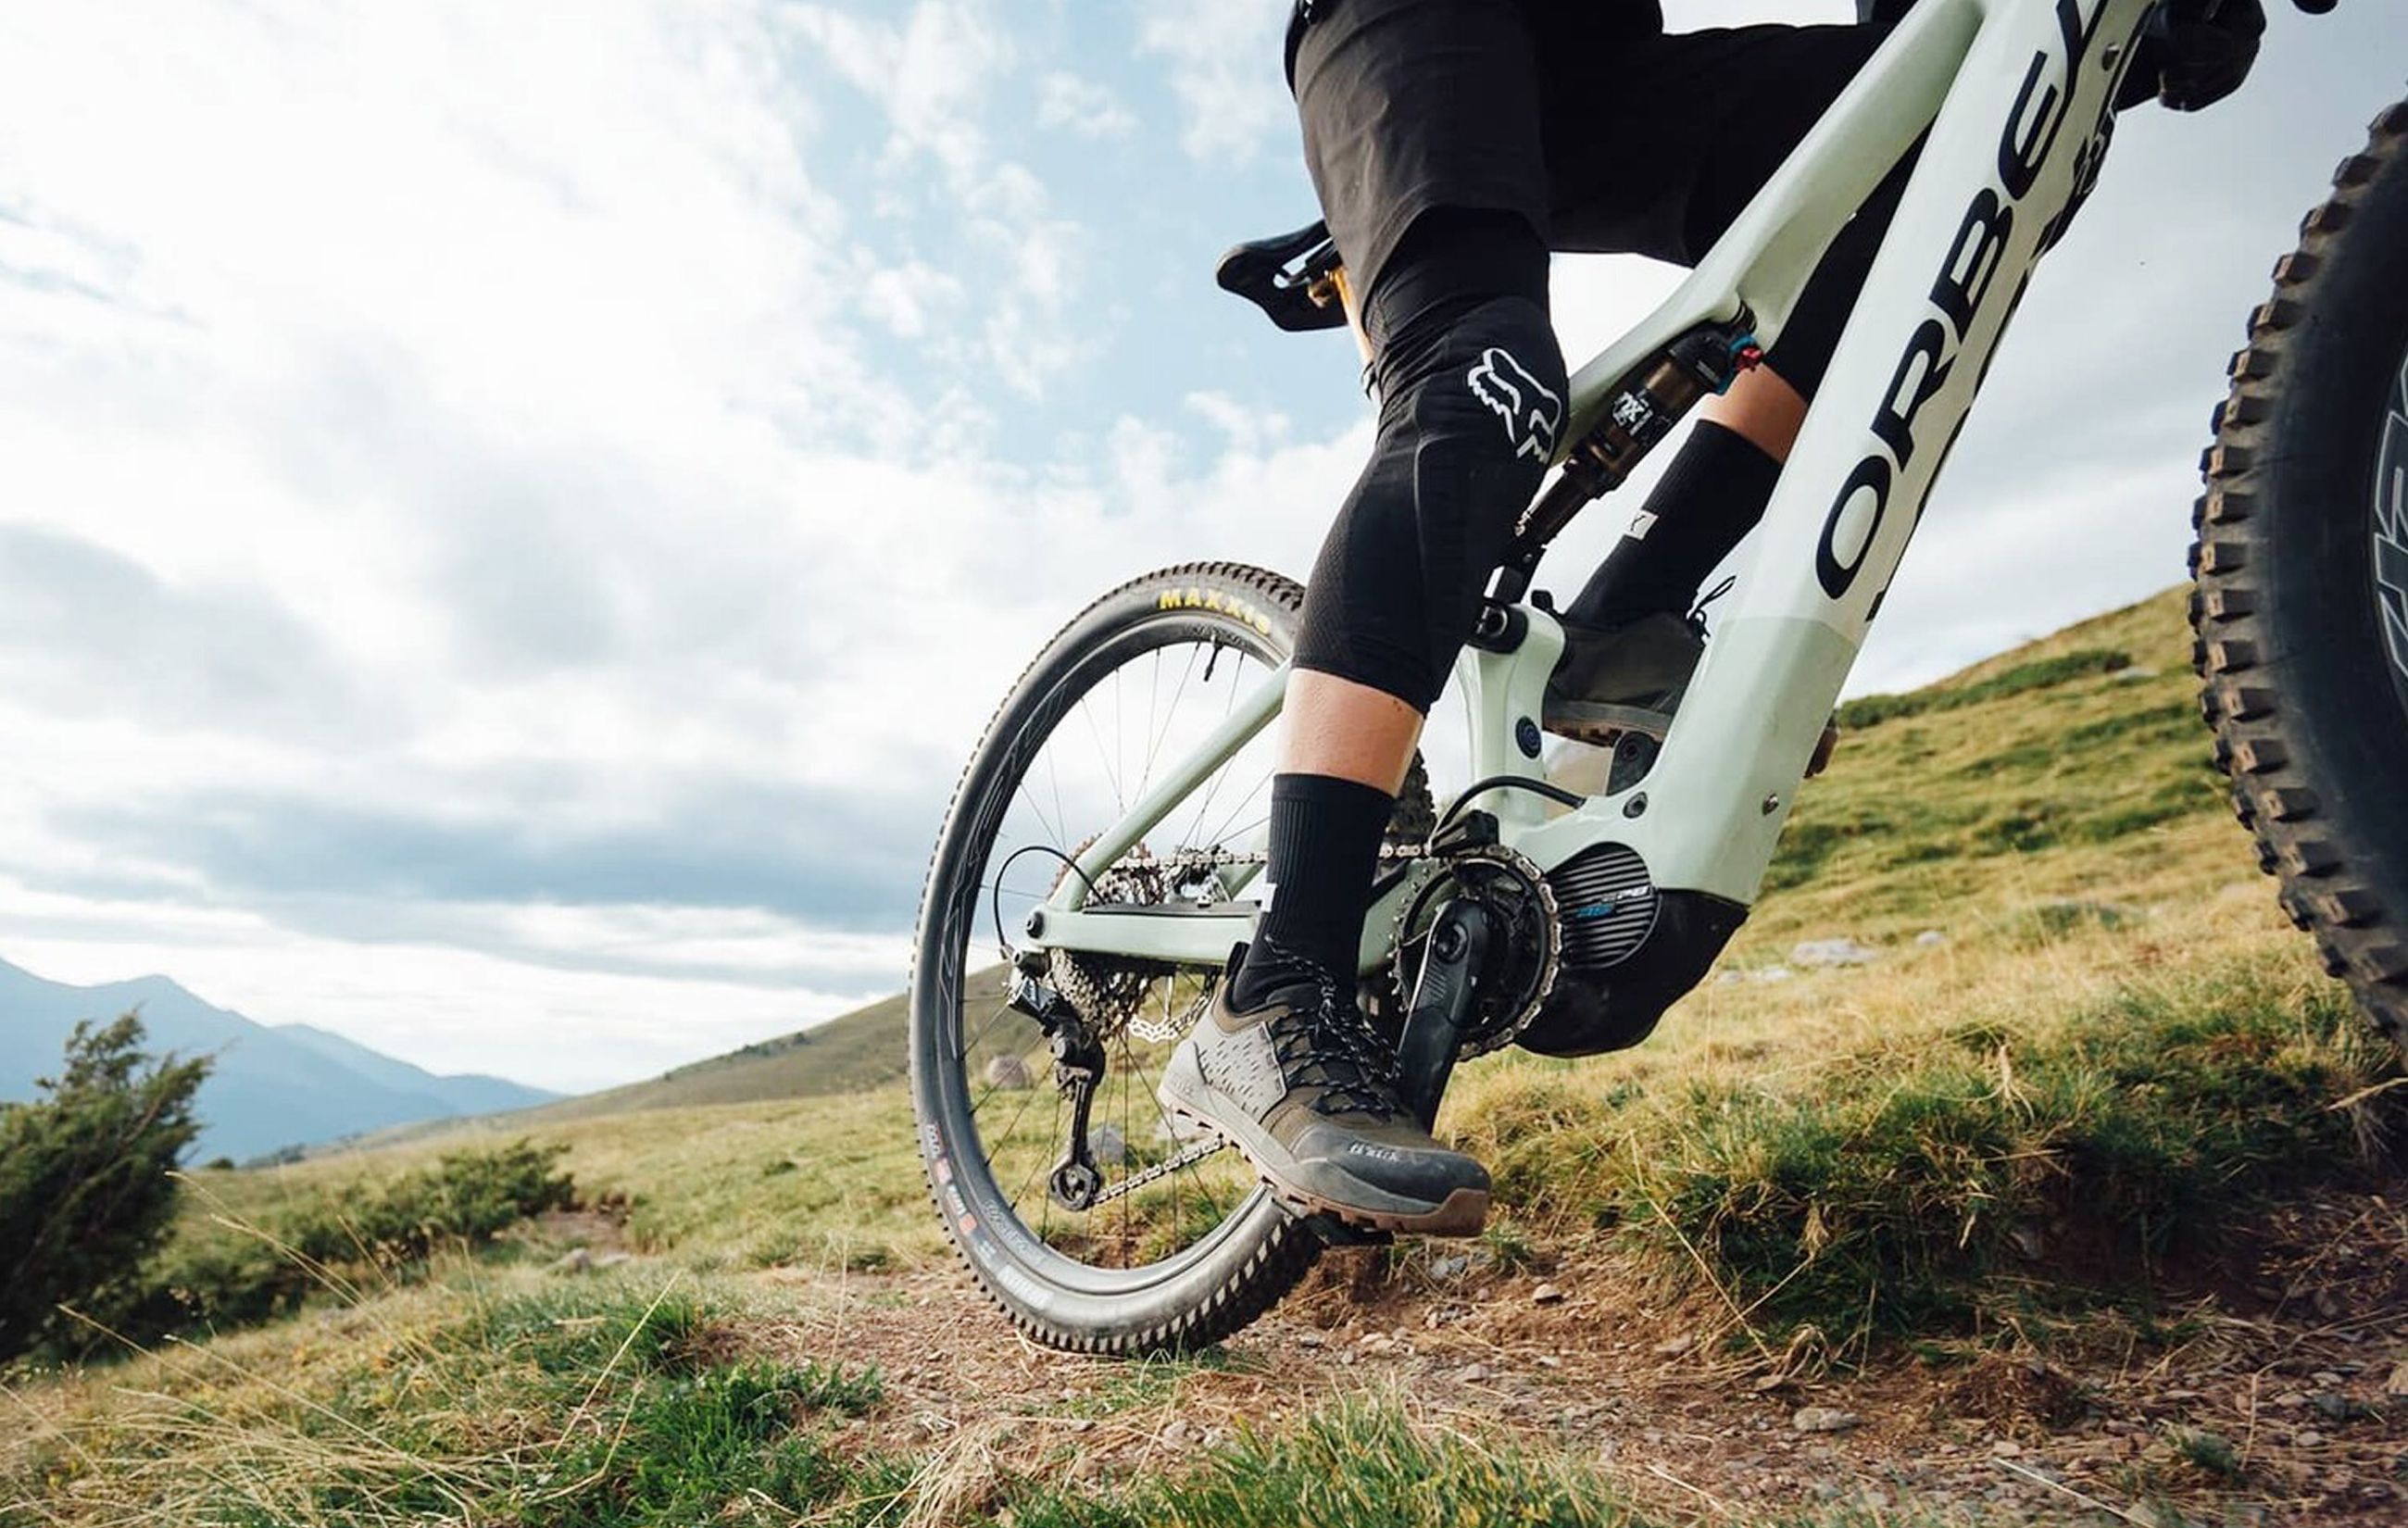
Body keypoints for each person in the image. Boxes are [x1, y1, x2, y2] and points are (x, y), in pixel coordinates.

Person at [1159, 0, 2266, 1235]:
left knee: (1954, 148)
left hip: (1590, 69)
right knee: (1487, 382)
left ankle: (1629, 611)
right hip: (1414, 24)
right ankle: (1280, 987)